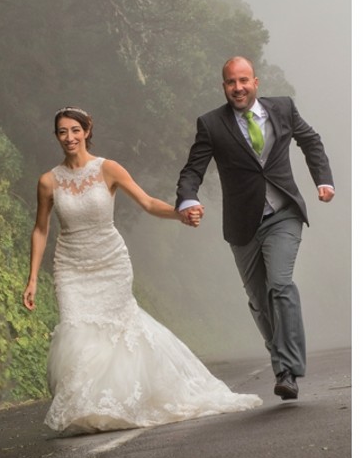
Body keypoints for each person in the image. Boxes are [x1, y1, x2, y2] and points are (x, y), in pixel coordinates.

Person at [23, 106, 262, 436]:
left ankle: (116, 403)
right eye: (63, 132)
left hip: (110, 262)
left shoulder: (108, 169)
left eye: (75, 130)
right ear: (56, 136)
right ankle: (86, 407)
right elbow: (40, 229)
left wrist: (180, 213)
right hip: (70, 266)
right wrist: (33, 277)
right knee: (77, 329)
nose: (69, 137)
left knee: (116, 332)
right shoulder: (48, 181)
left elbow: (148, 203)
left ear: (87, 131)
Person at [176, 56, 335, 403]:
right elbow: (193, 169)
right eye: (232, 82)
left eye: (244, 80)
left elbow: (311, 141)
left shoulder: (283, 109)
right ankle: (281, 364)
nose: (239, 88)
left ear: (256, 82)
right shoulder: (212, 124)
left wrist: (322, 180)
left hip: (283, 214)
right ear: (224, 87)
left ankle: (287, 370)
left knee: (280, 284)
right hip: (243, 223)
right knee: (260, 301)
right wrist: (187, 198)